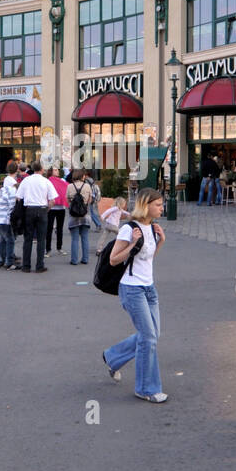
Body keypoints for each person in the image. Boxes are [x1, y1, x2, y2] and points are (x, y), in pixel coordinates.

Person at [103, 189, 168, 402]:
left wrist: (160, 242)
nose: (162, 208)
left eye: (162, 204)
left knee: (152, 335)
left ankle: (113, 357)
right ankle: (146, 388)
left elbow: (147, 259)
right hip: (132, 289)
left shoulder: (152, 228)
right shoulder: (129, 229)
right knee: (148, 337)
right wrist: (132, 245)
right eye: (158, 204)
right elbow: (114, 260)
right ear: (145, 205)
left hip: (149, 289)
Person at [17, 161, 58, 272]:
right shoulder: (46, 181)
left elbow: (19, 197)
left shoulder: (26, 180)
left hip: (29, 209)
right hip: (42, 209)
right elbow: (53, 200)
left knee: (28, 238)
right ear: (42, 169)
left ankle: (26, 265)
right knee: (41, 239)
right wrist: (47, 209)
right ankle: (39, 265)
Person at [0, 160, 20, 269]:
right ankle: (9, 262)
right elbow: (11, 209)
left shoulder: (3, 189)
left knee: (3, 239)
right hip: (4, 219)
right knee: (10, 239)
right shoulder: (13, 192)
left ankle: (1, 260)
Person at [66, 169, 94, 265]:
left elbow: (68, 200)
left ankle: (74, 260)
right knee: (85, 238)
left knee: (74, 239)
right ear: (82, 176)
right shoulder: (87, 186)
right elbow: (90, 200)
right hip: (85, 215)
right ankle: (85, 259)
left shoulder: (70, 186)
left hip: (73, 216)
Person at [45, 166, 68, 256]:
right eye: (55, 170)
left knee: (60, 229)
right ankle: (48, 249)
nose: (57, 171)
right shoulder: (48, 181)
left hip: (61, 208)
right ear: (51, 171)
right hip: (51, 208)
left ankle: (59, 247)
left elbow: (67, 188)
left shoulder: (62, 180)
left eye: (57, 169)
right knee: (49, 229)